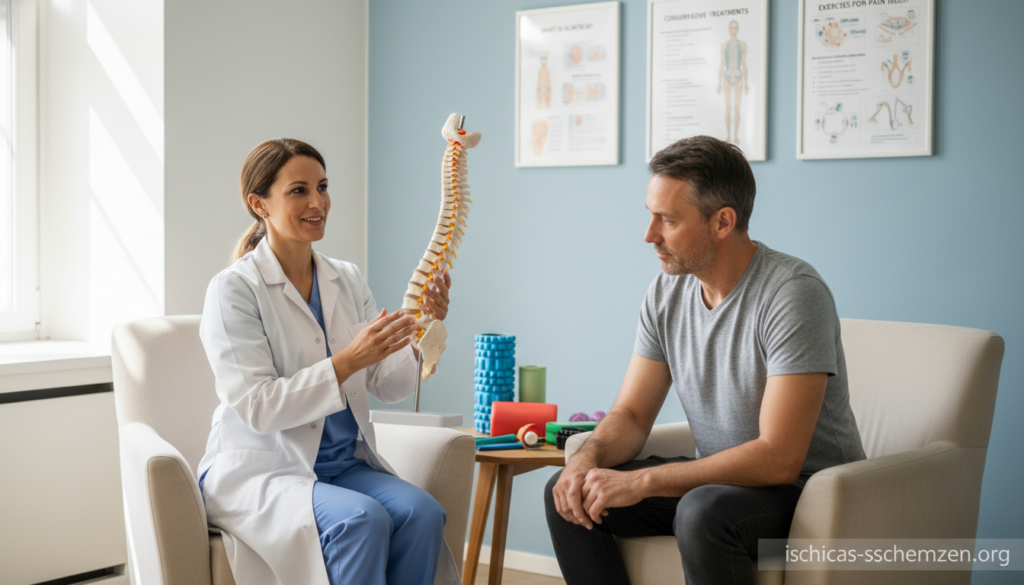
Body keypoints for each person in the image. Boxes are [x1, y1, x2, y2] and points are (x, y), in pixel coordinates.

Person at [544, 136, 866, 585]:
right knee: (570, 496)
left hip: (807, 492)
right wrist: (586, 459)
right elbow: (633, 415)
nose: (649, 234)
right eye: (650, 215)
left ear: (723, 222)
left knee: (702, 511)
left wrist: (644, 483)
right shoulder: (666, 292)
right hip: (719, 487)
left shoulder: (793, 294)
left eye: (668, 220)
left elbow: (779, 458)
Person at [196, 139, 461, 585]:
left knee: (423, 513)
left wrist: (421, 332)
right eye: (298, 190)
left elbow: (388, 385)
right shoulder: (233, 290)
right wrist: (345, 362)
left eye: (322, 186)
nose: (317, 202)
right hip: (267, 466)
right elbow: (258, 407)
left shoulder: (347, 278)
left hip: (344, 464)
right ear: (258, 204)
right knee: (362, 519)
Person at [717, 20, 749, 145]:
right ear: (729, 29)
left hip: (739, 76)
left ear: (738, 29)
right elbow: (722, 63)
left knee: (736, 108)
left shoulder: (742, 45)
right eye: (731, 27)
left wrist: (746, 82)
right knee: (728, 108)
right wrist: (719, 82)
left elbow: (744, 64)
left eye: (735, 27)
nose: (733, 30)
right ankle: (728, 136)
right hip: (727, 76)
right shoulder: (724, 45)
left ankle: (735, 136)